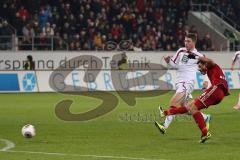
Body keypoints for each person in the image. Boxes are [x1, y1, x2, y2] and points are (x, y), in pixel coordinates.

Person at [156, 56, 229, 143]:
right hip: (218, 94)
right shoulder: (211, 71)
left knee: (192, 108)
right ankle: (165, 113)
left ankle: (205, 132)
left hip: (216, 90)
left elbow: (209, 60)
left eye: (200, 66)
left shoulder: (212, 65)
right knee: (190, 106)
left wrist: (198, 57)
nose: (199, 69)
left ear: (205, 64)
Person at [157, 33, 211, 134]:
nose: (186, 43)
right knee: (188, 108)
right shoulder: (181, 51)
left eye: (188, 41)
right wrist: (168, 61)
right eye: (185, 41)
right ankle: (206, 117)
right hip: (179, 82)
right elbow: (174, 64)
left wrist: (205, 81)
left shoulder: (199, 56)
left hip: (187, 83)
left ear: (194, 42)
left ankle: (164, 126)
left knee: (173, 103)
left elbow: (205, 70)